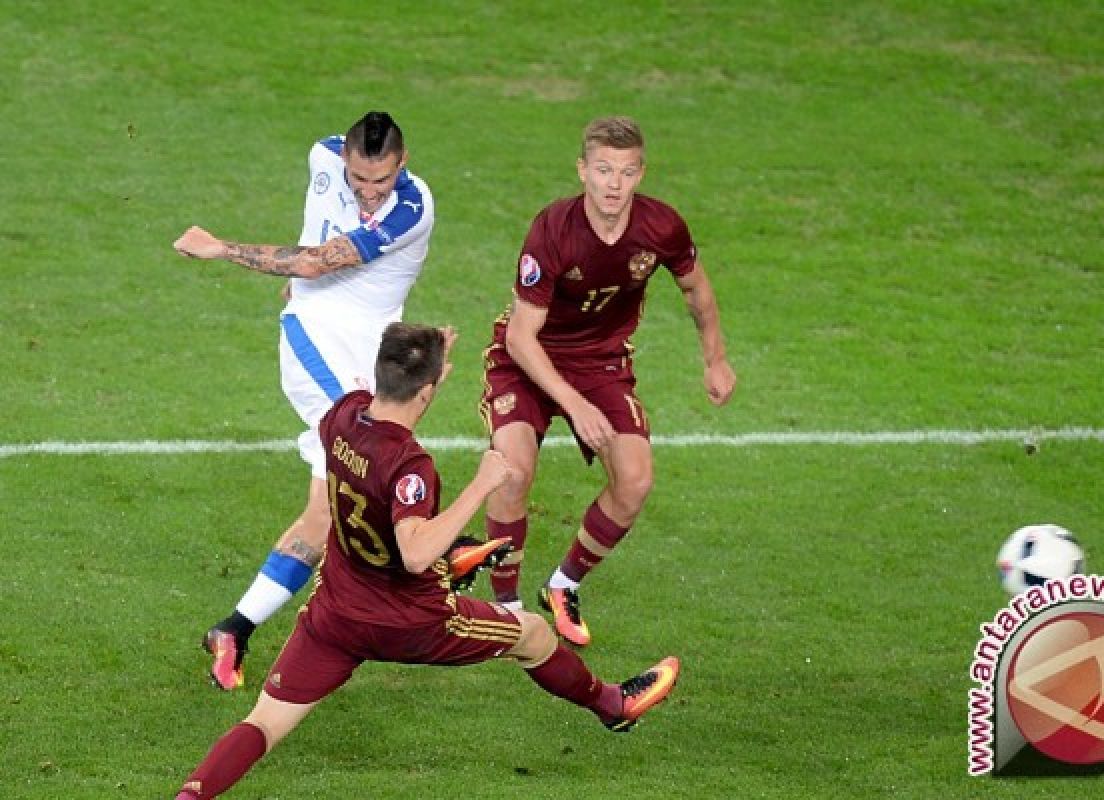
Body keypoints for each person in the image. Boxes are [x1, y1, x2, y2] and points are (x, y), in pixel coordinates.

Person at [173, 322, 680, 799]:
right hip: (411, 619)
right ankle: (613, 705)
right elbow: (415, 554)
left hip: (336, 614)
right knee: (531, 634)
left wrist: (429, 358)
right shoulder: (410, 467)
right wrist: (482, 484)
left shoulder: (341, 417)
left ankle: (189, 794)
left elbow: (387, 409)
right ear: (429, 392)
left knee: (262, 724)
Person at [173, 110, 435, 690]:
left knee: (326, 511)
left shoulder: (412, 209)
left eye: (382, 182)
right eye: (359, 182)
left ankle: (234, 629)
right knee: (372, 460)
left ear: (403, 162)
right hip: (314, 345)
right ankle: (436, 558)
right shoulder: (323, 156)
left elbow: (318, 259)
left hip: (369, 359)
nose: (369, 196)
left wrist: (221, 248)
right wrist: (295, 283)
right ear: (345, 161)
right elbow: (317, 242)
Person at [479, 116, 736, 646]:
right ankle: (506, 609)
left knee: (636, 480)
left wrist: (716, 358)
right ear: (583, 171)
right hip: (528, 360)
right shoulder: (552, 229)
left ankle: (563, 584)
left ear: (640, 174)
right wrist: (574, 405)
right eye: (603, 170)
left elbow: (696, 292)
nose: (613, 184)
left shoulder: (662, 227)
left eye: (625, 171)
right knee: (511, 472)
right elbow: (523, 338)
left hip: (601, 362)